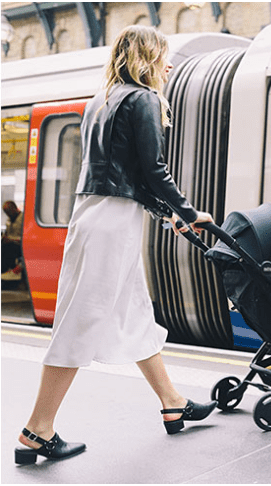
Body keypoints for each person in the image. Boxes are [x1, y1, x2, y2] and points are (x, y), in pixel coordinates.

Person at [15, 25, 217, 466]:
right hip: (113, 223)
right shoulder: (144, 99)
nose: (170, 65)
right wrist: (186, 211)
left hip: (93, 215)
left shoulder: (100, 101)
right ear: (147, 56)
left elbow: (126, 176)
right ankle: (38, 429)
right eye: (164, 56)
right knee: (81, 320)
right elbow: (154, 169)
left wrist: (167, 216)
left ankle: (172, 401)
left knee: (135, 313)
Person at [2, 201, 23, 275]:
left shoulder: (23, 219)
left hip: (19, 245)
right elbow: (7, 233)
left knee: (6, 249)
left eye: (9, 211)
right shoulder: (9, 220)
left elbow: (24, 238)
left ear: (14, 208)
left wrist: (11, 239)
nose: (8, 214)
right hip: (9, 243)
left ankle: (6, 271)